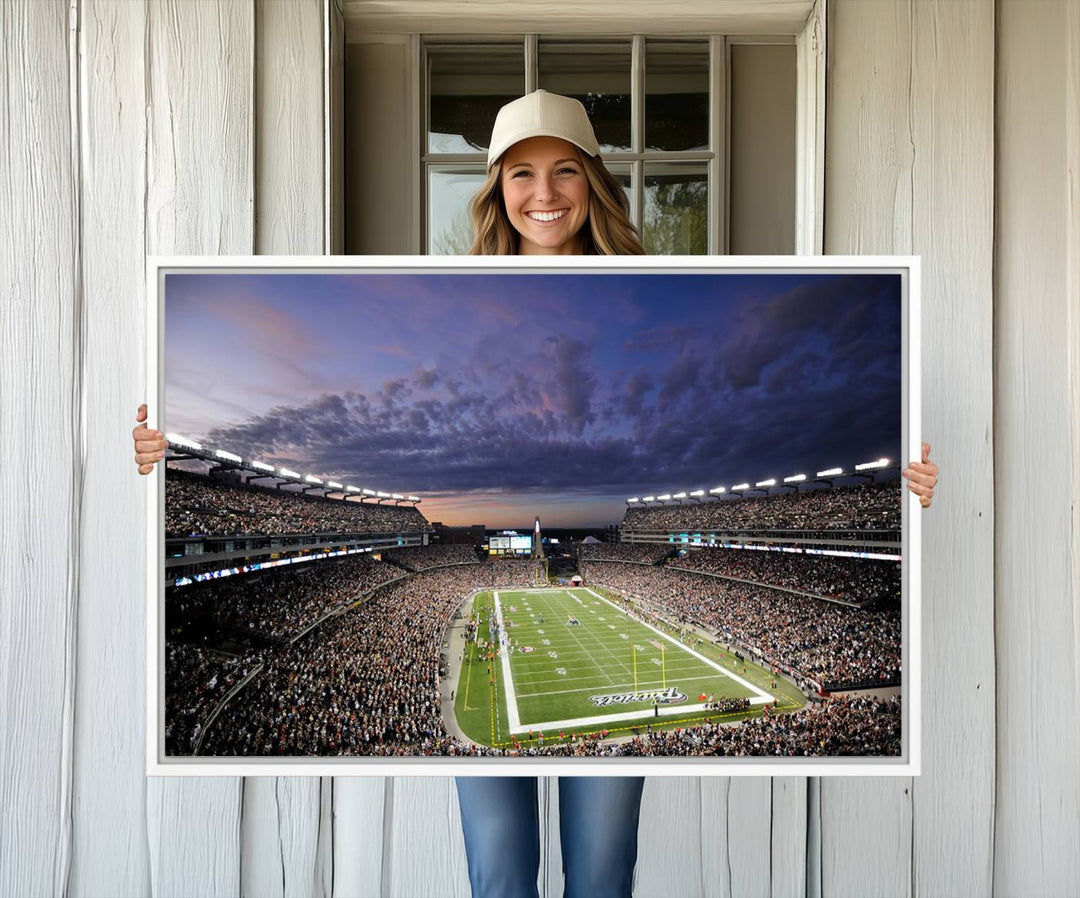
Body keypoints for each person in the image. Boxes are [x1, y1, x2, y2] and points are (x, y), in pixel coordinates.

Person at [131, 89, 940, 898]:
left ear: (593, 181)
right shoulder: (452, 303)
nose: (544, 193)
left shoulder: (659, 291)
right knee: (500, 873)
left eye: (564, 171)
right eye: (521, 173)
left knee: (601, 873)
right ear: (495, 189)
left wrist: (902, 484)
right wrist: (161, 457)